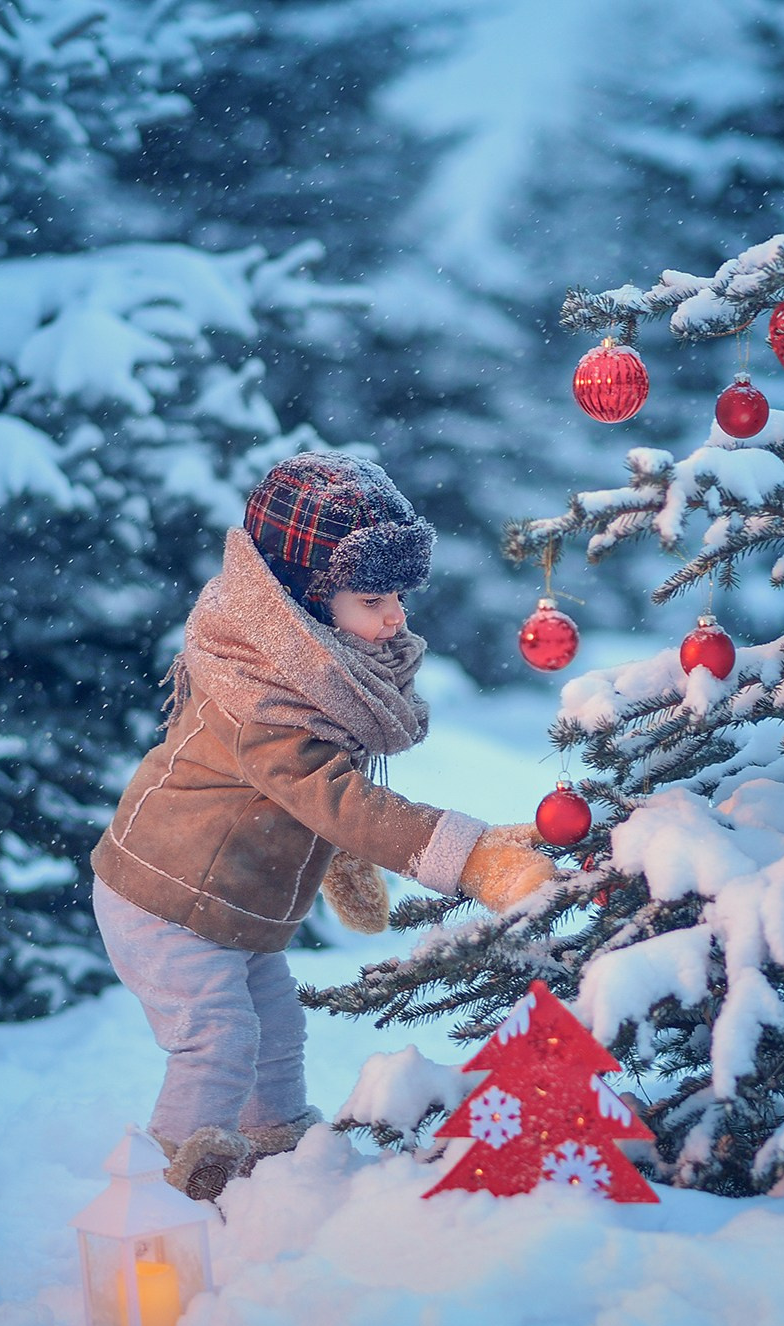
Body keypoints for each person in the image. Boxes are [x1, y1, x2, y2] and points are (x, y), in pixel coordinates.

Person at [90, 451, 558, 1200]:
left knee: (276, 1034)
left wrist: (334, 860)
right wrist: (471, 858)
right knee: (219, 1039)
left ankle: (275, 1164)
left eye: (398, 595)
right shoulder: (265, 694)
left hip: (232, 902)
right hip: (166, 899)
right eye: (373, 599)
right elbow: (332, 795)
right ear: (307, 601)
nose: (396, 616)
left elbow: (300, 797)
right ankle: (172, 1185)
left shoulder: (304, 668)